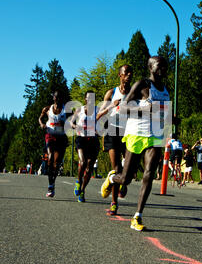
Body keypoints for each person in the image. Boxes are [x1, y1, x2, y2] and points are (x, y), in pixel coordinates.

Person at [100, 56, 173, 231]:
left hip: (155, 136)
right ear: (151, 67)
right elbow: (123, 108)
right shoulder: (142, 85)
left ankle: (137, 216)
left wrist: (171, 120)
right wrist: (144, 109)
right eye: (159, 65)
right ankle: (111, 178)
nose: (163, 68)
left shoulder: (165, 90)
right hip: (136, 134)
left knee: (148, 173)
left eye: (165, 65)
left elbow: (163, 113)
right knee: (125, 179)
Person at [97, 65, 133, 215]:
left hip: (128, 131)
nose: (129, 75)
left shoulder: (135, 92)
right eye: (126, 73)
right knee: (117, 168)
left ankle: (119, 180)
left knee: (129, 170)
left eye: (131, 73)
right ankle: (114, 203)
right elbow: (99, 116)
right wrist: (112, 105)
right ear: (120, 75)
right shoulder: (111, 93)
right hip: (112, 130)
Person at [70, 91, 100, 203]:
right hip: (81, 139)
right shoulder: (79, 110)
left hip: (93, 140)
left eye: (92, 98)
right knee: (82, 162)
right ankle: (78, 181)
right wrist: (75, 126)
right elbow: (71, 122)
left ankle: (82, 190)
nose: (90, 100)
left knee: (89, 168)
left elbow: (103, 122)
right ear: (85, 99)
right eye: (88, 98)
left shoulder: (97, 110)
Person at [39, 90, 68, 197]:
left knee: (57, 163)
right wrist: (42, 124)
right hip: (50, 135)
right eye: (56, 97)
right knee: (50, 157)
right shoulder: (47, 109)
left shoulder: (67, 110)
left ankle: (52, 184)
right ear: (53, 98)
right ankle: (50, 184)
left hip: (61, 137)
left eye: (60, 97)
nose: (58, 99)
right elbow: (40, 118)